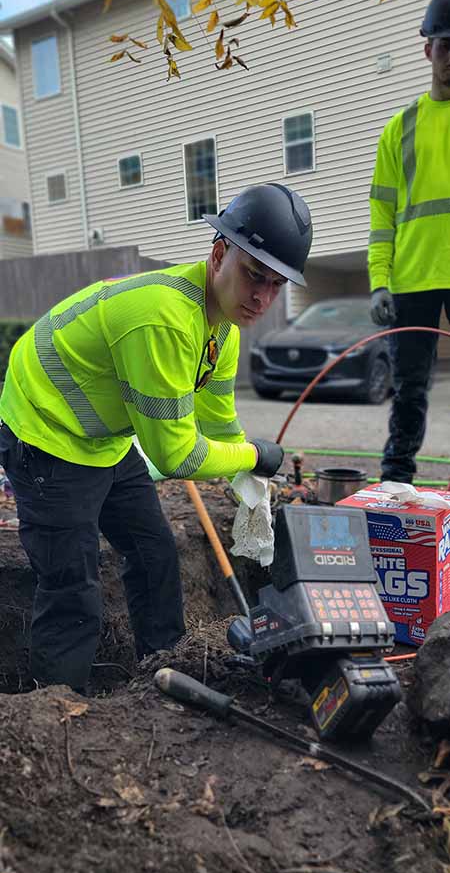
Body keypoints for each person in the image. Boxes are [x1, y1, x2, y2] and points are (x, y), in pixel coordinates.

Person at [0, 182, 312, 693]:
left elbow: (216, 426)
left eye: (277, 285)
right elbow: (176, 455)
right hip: (45, 435)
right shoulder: (165, 318)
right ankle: (59, 712)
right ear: (218, 254)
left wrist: (248, 479)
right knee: (72, 587)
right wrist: (255, 453)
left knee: (154, 553)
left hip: (102, 440)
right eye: (255, 275)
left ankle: (164, 672)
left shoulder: (222, 331)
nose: (263, 296)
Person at [369, 0, 450, 483]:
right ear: (427, 50)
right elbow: (382, 216)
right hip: (413, 281)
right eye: (445, 47)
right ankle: (396, 482)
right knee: (410, 389)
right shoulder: (399, 129)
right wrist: (380, 281)